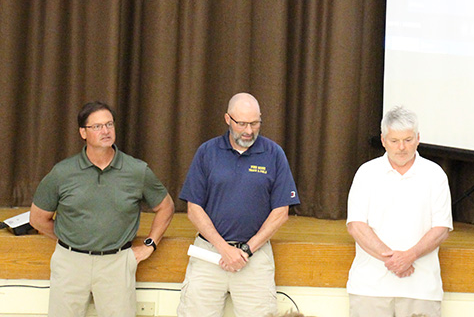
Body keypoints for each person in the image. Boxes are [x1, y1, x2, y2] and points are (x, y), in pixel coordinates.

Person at [29, 101, 175, 317]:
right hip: (70, 263)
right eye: (97, 126)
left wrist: (149, 245)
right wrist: (70, 238)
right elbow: (38, 218)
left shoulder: (136, 170)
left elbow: (166, 206)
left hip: (116, 264)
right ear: (83, 133)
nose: (105, 131)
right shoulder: (62, 173)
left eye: (109, 124)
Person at [177, 92, 300, 317]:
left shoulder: (274, 154)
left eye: (255, 123)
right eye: (241, 123)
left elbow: (281, 211)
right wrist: (225, 249)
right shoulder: (207, 152)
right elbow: (194, 209)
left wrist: (246, 250)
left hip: (254, 256)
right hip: (210, 254)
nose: (248, 130)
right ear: (227, 119)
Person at [346, 106, 453, 317]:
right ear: (383, 140)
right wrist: (395, 260)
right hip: (370, 288)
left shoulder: (435, 175)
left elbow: (441, 228)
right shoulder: (366, 173)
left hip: (421, 289)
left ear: (418, 138)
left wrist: (410, 256)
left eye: (408, 140)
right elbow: (356, 225)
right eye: (394, 141)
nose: (401, 147)